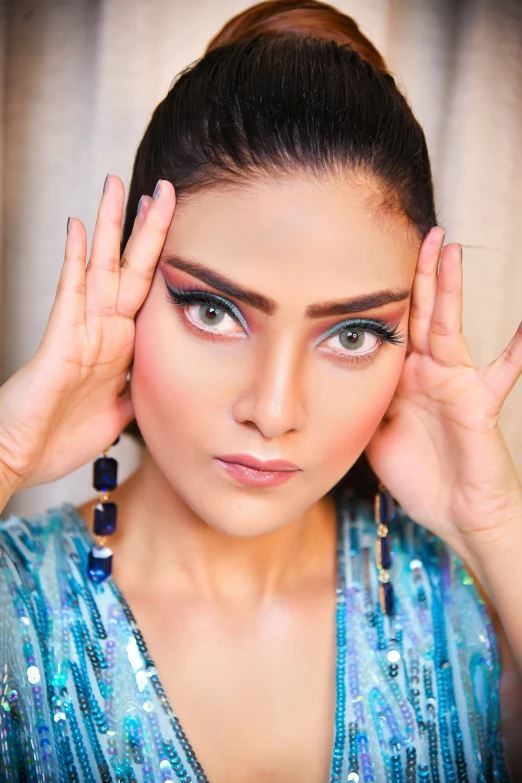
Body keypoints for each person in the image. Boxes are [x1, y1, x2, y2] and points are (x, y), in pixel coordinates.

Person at [1, 0, 521, 780]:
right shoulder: (13, 613)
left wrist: (496, 522)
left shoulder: (466, 608)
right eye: (214, 310)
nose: (273, 410)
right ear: (125, 290)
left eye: (352, 334)